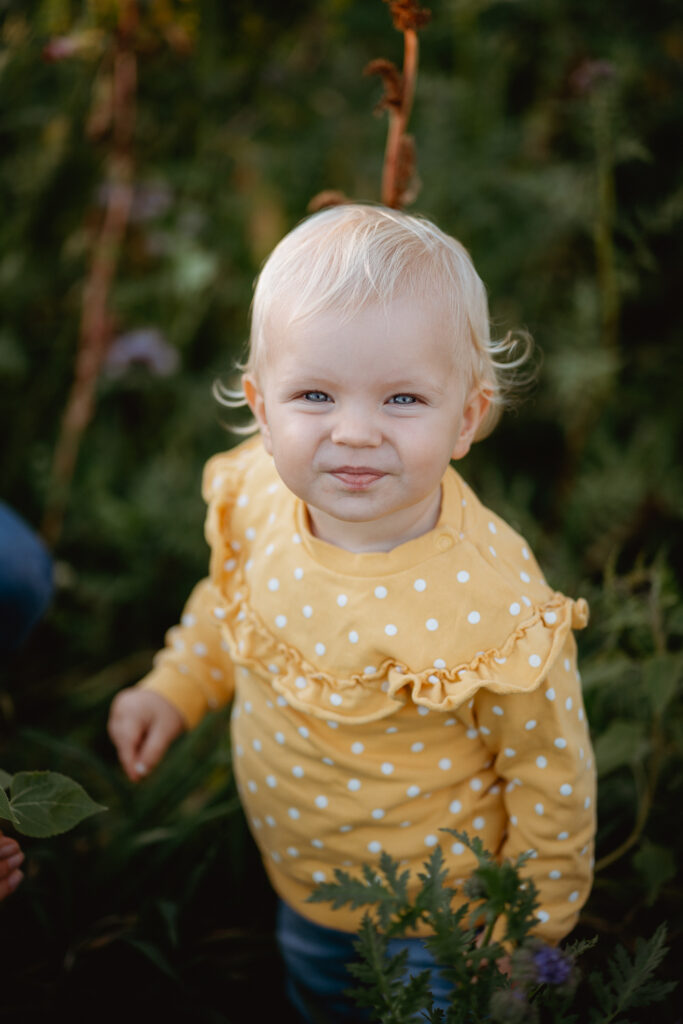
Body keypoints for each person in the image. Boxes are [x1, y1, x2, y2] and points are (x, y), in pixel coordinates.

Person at [108, 204, 596, 1022]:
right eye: (315, 394)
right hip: (300, 884)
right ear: (262, 407)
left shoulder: (490, 602)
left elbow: (550, 775)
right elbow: (230, 606)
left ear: (467, 417)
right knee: (318, 998)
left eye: (403, 398)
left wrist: (527, 927)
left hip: (442, 922)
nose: (356, 432)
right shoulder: (264, 498)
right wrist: (174, 686)